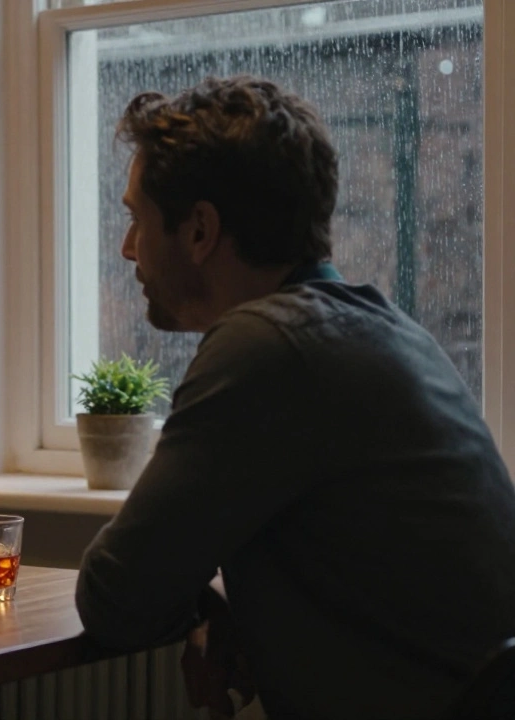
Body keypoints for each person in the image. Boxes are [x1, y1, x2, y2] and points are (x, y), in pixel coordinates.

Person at [74, 75, 515, 720]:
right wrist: (222, 602)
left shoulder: (266, 348)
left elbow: (115, 598)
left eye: (137, 219)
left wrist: (204, 600)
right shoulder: (385, 329)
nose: (127, 248)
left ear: (199, 230)